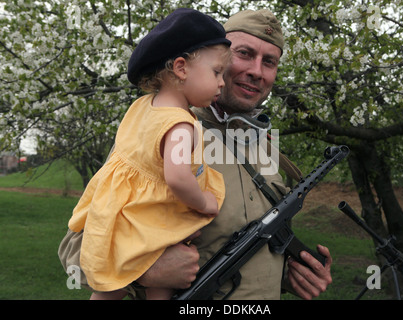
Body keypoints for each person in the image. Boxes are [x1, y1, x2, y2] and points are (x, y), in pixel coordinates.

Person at [59, 8, 333, 300]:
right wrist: (146, 272)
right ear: (213, 57)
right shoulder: (164, 130)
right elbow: (75, 249)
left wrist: (291, 275)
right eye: (244, 53)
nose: (256, 70)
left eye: (269, 61)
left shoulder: (264, 147)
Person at [63, 8, 231, 300]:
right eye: (217, 72)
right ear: (181, 68)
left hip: (118, 210)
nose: (222, 82)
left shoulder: (143, 106)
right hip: (150, 217)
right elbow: (178, 178)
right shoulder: (179, 124)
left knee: (109, 285)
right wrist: (204, 201)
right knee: (163, 284)